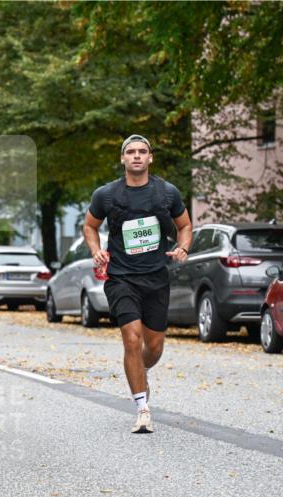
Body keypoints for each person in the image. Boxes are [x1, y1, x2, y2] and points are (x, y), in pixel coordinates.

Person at [83, 134, 192, 435]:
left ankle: (138, 370)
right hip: (121, 278)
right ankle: (142, 407)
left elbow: (184, 225)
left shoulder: (166, 193)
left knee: (153, 347)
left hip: (156, 278)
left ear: (150, 157)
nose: (136, 156)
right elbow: (90, 226)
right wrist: (96, 250)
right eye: (130, 152)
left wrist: (183, 247)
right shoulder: (106, 195)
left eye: (142, 152)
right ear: (122, 159)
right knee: (132, 339)